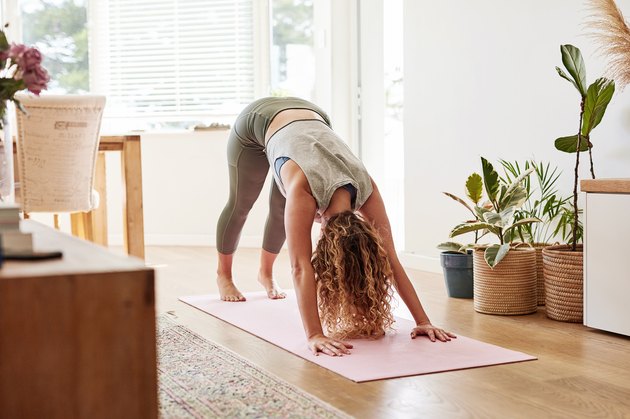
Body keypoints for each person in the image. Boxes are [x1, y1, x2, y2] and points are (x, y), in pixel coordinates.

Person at [216, 97, 456, 357]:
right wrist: (314, 335)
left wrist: (423, 321)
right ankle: (224, 275)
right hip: (259, 119)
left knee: (279, 212)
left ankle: (265, 274)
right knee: (241, 204)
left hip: (313, 116)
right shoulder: (304, 190)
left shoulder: (366, 188)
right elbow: (300, 266)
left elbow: (390, 259)